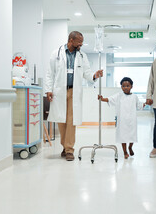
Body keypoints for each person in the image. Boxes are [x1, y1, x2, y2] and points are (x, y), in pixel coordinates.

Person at [44, 31, 103, 161]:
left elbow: (86, 73)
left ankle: (69, 149)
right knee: (61, 120)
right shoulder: (56, 53)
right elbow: (50, 73)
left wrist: (94, 75)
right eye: (79, 42)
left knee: (71, 121)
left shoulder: (82, 55)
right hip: (59, 91)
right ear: (71, 40)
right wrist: (48, 89)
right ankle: (64, 147)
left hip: (73, 91)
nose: (81, 44)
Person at [98, 77, 145, 159]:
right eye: (123, 86)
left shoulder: (134, 97)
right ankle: (125, 152)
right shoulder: (119, 96)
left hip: (132, 120)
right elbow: (109, 99)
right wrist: (102, 99)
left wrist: (146, 103)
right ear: (121, 87)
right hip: (122, 120)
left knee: (132, 135)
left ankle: (130, 147)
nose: (126, 87)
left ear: (131, 86)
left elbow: (139, 106)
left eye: (128, 85)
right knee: (122, 136)